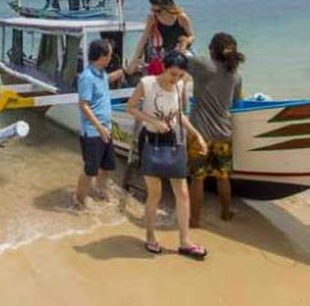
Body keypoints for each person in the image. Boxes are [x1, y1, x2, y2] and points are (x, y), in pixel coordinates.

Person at [126, 51, 209, 259]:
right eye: (173, 74)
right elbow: (131, 107)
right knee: (155, 194)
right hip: (151, 141)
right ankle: (150, 236)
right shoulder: (147, 83)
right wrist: (153, 121)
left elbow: (179, 114)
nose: (176, 79)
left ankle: (185, 241)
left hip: (173, 141)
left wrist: (196, 134)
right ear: (164, 68)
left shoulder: (179, 86)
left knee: (183, 192)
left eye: (180, 75)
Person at [187, 33, 245, 227]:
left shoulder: (204, 66)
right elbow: (237, 103)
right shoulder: (236, 76)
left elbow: (178, 58)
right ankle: (226, 213)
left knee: (198, 179)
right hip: (224, 133)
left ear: (211, 49)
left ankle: (194, 220)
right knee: (223, 177)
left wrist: (185, 42)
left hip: (200, 136)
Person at [75, 39, 125, 208]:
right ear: (102, 57)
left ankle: (101, 192)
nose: (111, 58)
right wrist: (98, 127)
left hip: (106, 129)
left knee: (106, 166)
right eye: (110, 55)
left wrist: (124, 70)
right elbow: (83, 105)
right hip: (94, 132)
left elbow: (107, 80)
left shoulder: (101, 73)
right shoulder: (87, 77)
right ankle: (79, 201)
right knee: (90, 170)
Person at [128, 0, 195, 74]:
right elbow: (143, 39)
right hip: (163, 51)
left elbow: (192, 36)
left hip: (182, 49)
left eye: (158, 11)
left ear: (168, 7)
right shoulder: (152, 18)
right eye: (152, 10)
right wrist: (135, 59)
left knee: (187, 64)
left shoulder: (181, 18)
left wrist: (185, 42)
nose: (155, 13)